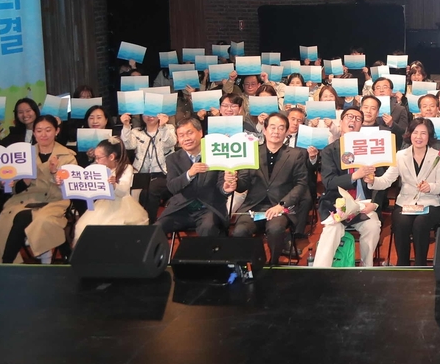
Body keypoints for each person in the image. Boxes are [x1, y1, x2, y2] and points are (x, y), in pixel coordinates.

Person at [0, 115, 76, 264]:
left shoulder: (68, 156)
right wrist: (24, 180)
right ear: (34, 133)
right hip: (25, 200)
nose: (43, 134)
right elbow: (15, 188)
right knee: (5, 223)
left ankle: (7, 263)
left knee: (34, 219)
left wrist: (54, 173)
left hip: (54, 200)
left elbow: (72, 186)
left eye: (48, 130)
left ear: (56, 131)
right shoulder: (22, 155)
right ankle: (64, 255)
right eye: (39, 130)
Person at [368, 118, 440, 266]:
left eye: (423, 133)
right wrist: (372, 181)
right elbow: (386, 180)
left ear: (429, 136)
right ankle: (402, 264)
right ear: (409, 134)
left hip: (430, 202)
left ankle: (420, 265)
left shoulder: (438, 156)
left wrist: (430, 187)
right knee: (401, 222)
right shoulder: (400, 155)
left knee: (420, 223)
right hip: (406, 202)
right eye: (415, 132)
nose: (419, 137)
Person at [233, 113, 310, 264]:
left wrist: (281, 205)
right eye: (272, 127)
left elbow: (301, 185)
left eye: (281, 128)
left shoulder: (296, 155)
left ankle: (273, 264)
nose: (276, 131)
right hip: (254, 206)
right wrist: (234, 183)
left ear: (286, 132)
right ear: (265, 130)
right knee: (239, 231)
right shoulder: (252, 152)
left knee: (275, 229)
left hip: (280, 206)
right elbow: (243, 185)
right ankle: (253, 264)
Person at [312, 106, 383, 268]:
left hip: (362, 204)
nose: (353, 121)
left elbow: (381, 182)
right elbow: (329, 182)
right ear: (341, 122)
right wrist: (355, 176)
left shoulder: (369, 149)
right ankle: (320, 270)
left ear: (361, 125)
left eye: (358, 119)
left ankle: (366, 268)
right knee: (332, 230)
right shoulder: (330, 151)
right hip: (336, 204)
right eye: (350, 117)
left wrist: (375, 203)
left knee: (373, 226)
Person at [156, 117, 244, 239]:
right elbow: (172, 187)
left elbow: (222, 186)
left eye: (190, 133)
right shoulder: (173, 159)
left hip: (209, 207)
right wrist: (189, 174)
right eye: (181, 135)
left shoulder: (216, 154)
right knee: (157, 228)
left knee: (208, 227)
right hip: (181, 208)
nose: (186, 138)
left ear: (200, 132)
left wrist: (225, 188)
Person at [73, 138, 147, 244]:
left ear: (111, 157)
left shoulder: (126, 168)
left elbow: (124, 191)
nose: (96, 161)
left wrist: (114, 185)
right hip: (102, 204)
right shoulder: (97, 168)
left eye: (99, 158)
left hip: (121, 204)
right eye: (95, 157)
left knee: (113, 227)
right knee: (83, 227)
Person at [120, 109, 177, 222]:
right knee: (129, 189)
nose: (150, 116)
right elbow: (128, 145)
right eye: (146, 113)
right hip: (141, 172)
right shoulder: (136, 132)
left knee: (150, 190)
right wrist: (126, 126)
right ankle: (133, 222)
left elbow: (170, 142)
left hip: (163, 173)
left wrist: (162, 126)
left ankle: (149, 223)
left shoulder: (168, 128)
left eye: (154, 112)